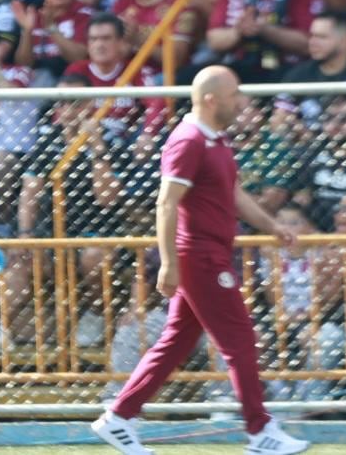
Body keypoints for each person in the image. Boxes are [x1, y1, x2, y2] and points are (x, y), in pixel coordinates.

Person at [91, 66, 310, 455]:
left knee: (177, 340)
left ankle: (119, 417)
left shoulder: (216, 139)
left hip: (209, 253)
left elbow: (234, 193)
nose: (240, 103)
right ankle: (260, 432)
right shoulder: (189, 140)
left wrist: (270, 225)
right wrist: (170, 264)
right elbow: (166, 203)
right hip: (200, 256)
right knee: (239, 338)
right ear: (211, 99)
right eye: (233, 95)